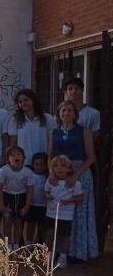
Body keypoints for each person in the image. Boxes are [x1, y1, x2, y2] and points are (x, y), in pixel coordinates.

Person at [48, 100, 97, 260]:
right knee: (61, 210)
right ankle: (59, 251)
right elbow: (50, 156)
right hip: (58, 173)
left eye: (70, 111)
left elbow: (91, 157)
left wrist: (76, 174)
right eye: (63, 111)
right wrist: (51, 173)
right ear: (59, 114)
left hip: (80, 172)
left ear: (75, 114)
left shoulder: (84, 131)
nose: (66, 113)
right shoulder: (53, 133)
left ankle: (78, 252)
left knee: (79, 211)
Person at [44, 155, 84, 269]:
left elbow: (80, 197)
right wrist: (48, 196)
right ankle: (49, 255)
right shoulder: (50, 181)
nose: (59, 168)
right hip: (51, 213)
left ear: (69, 168)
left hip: (66, 215)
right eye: (56, 166)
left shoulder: (75, 183)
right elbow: (45, 192)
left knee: (64, 237)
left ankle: (62, 257)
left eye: (63, 166)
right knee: (49, 234)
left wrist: (70, 200)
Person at [0, 145, 34, 250]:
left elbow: (30, 190)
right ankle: (8, 244)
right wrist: (1, 205)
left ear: (23, 157)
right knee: (7, 221)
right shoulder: (4, 171)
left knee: (18, 222)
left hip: (20, 197)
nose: (15, 157)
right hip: (7, 196)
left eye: (18, 155)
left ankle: (16, 246)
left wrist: (27, 206)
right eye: (12, 155)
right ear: (8, 159)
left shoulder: (27, 172)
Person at [8, 89, 57, 166]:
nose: (23, 103)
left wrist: (50, 160)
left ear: (33, 100)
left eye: (26, 100)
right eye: (20, 102)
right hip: (24, 163)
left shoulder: (48, 118)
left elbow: (53, 141)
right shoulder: (15, 120)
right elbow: (13, 144)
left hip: (43, 163)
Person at [63, 77, 100, 143]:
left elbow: (96, 137)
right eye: (70, 89)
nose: (74, 91)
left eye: (77, 88)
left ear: (82, 90)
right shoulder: (61, 114)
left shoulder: (94, 113)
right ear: (65, 92)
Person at [25, 152, 49, 245]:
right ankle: (28, 244)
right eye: (37, 164)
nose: (39, 167)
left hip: (44, 206)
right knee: (30, 225)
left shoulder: (49, 177)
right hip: (32, 205)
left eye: (42, 164)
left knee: (44, 227)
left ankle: (44, 246)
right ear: (32, 165)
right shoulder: (29, 175)